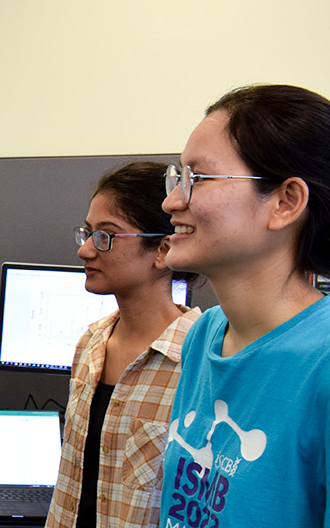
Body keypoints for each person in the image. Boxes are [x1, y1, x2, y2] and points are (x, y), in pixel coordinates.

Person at [157, 84, 330, 527]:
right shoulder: (205, 334)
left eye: (199, 178)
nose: (172, 201)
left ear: (285, 202)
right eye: (178, 177)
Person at [45, 161, 202, 528]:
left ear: (163, 250)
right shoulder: (91, 343)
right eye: (87, 233)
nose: (85, 250)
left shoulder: (197, 358)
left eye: (105, 236)